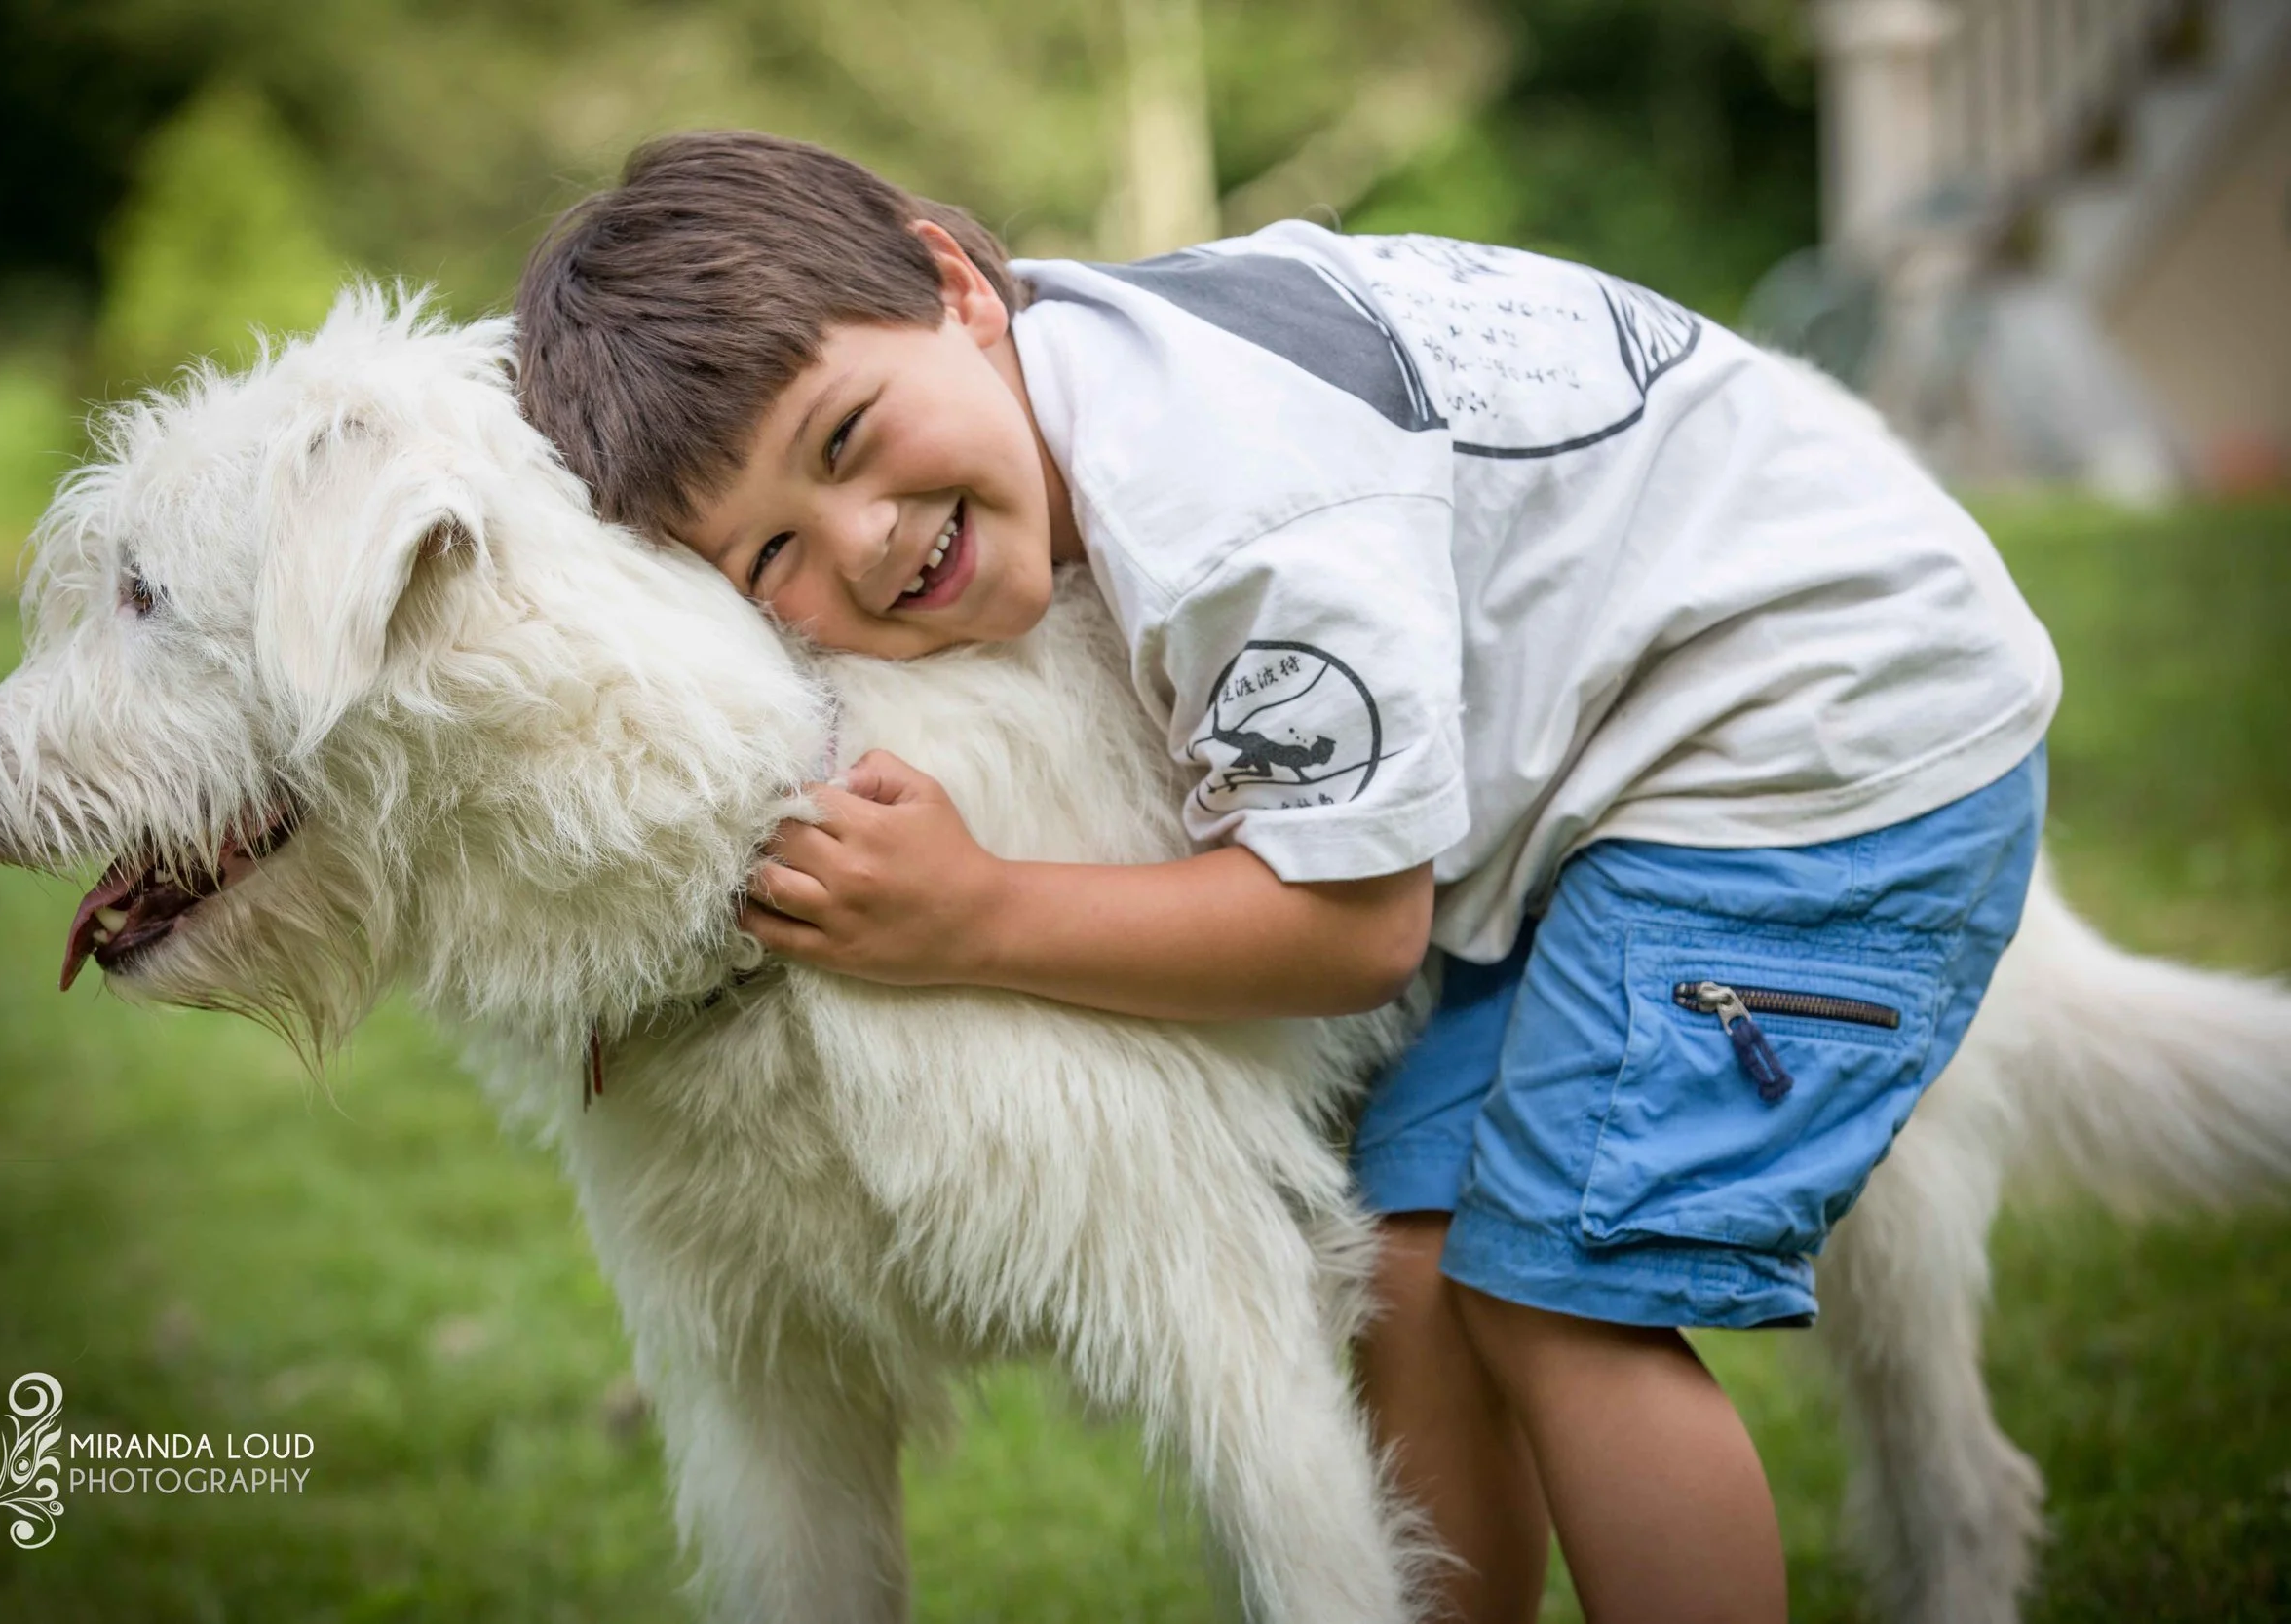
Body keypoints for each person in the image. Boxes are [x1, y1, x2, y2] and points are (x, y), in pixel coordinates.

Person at [512, 130, 2057, 1624]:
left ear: (954, 287)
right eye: (767, 559)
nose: (858, 543)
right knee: (1418, 1267)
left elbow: (1349, 929)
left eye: (844, 442)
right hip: (1619, 776)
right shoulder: (1065, 368)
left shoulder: (1226, 508)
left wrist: (973, 912)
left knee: (1565, 1294)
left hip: (1823, 735)